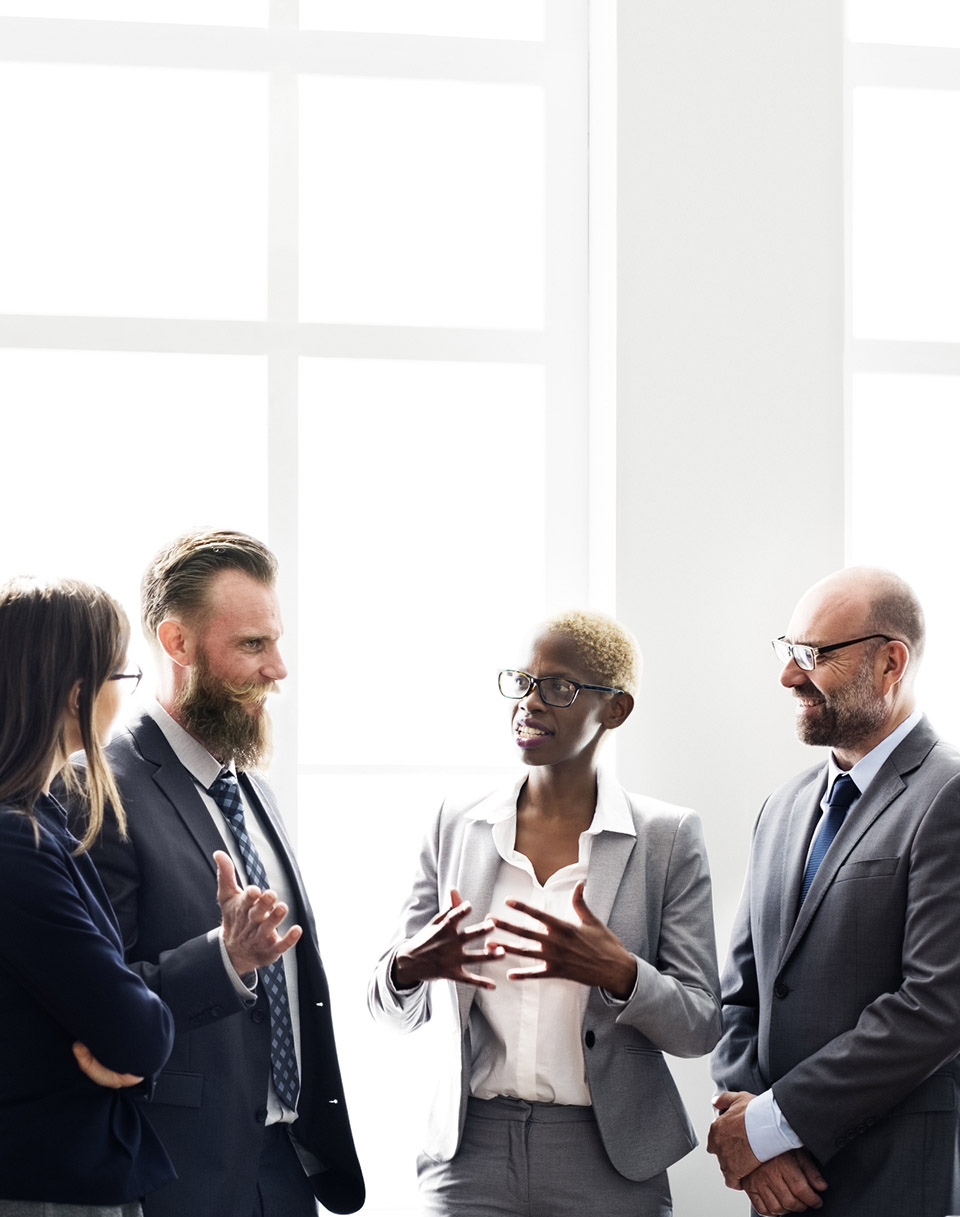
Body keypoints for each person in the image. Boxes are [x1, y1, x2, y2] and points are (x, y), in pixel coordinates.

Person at [369, 610, 721, 1217]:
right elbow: (386, 1007)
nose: (530, 703)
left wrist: (621, 974)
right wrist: (407, 967)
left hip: (608, 1158)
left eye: (558, 688)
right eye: (521, 681)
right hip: (468, 1154)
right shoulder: (457, 823)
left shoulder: (667, 837)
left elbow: (700, 1024)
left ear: (615, 709)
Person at [71, 530, 364, 1217]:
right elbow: (91, 1005)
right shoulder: (97, 790)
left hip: (290, 1168)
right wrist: (224, 960)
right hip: (180, 1175)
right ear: (176, 643)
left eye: (276, 641)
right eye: (253, 645)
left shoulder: (252, 786)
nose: (278, 668)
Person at [708, 567, 960, 1217]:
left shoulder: (948, 796)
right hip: (782, 1189)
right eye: (788, 651)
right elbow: (742, 991)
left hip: (898, 1182)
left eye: (814, 655)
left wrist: (771, 1124)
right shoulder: (784, 805)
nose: (789, 676)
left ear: (890, 663)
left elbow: (936, 1004)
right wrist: (758, 1134)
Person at [0, 576, 175, 1216]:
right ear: (76, 694)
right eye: (121, 679)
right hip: (43, 1186)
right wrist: (135, 1041)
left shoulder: (42, 819)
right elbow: (137, 1030)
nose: (125, 700)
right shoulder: (17, 844)